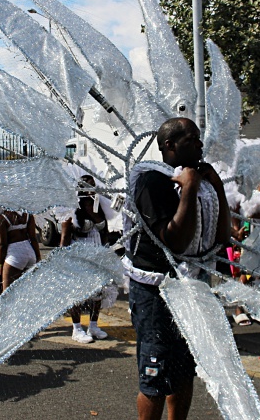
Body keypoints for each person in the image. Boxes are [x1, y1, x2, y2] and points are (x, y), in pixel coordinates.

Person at [123, 117, 230, 420]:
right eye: (191, 139)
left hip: (192, 287)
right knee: (155, 377)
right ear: (169, 146)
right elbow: (176, 242)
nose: (199, 144)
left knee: (183, 372)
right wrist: (190, 189)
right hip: (156, 293)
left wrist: (217, 187)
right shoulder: (152, 181)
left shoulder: (200, 178)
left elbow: (222, 238)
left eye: (198, 139)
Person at [60, 175, 110, 344]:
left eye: (94, 187)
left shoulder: (98, 206)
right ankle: (76, 329)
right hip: (79, 255)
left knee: (98, 292)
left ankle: (93, 326)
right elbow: (65, 237)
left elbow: (105, 229)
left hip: (97, 252)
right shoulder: (72, 209)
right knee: (78, 293)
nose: (92, 191)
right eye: (89, 187)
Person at [0, 209, 41, 292]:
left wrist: (0, 264)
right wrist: (38, 256)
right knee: (26, 291)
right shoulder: (28, 214)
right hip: (30, 252)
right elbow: (33, 238)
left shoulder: (3, 218)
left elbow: (2, 244)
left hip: (14, 254)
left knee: (8, 294)